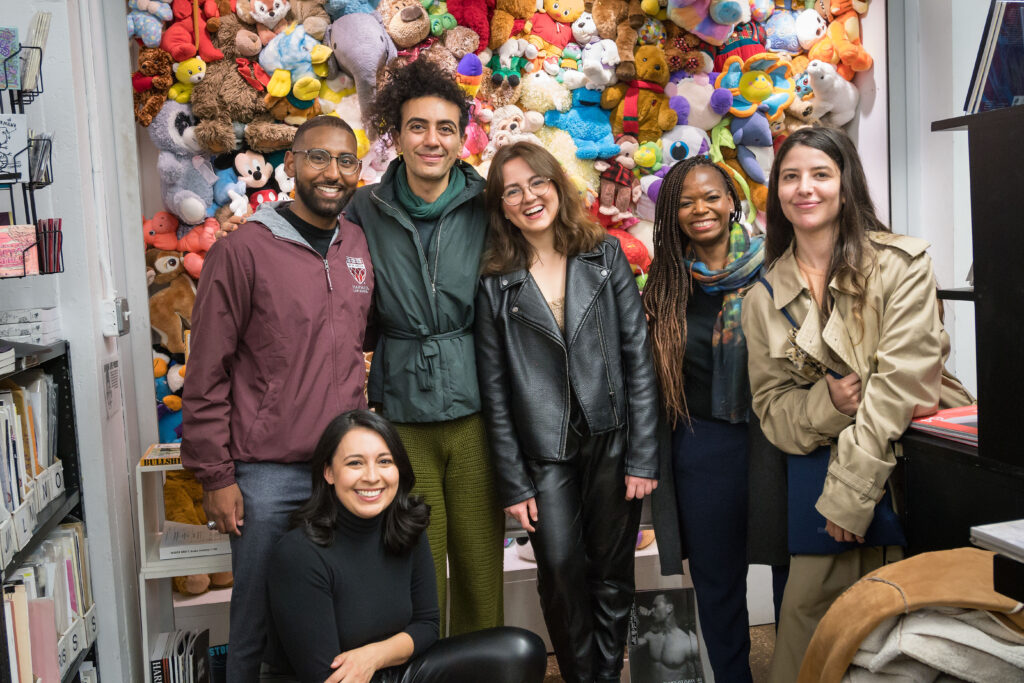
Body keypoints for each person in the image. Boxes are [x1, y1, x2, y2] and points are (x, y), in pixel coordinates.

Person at [741, 126, 974, 682]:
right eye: (791, 177)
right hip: (820, 486)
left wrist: (851, 495)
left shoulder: (902, 264)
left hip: (916, 475)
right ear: (776, 193)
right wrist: (826, 404)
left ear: (845, 186)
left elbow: (902, 385)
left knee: (926, 637)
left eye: (821, 174)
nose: (805, 188)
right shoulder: (762, 297)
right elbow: (773, 411)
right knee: (809, 640)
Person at [181, 116, 374, 683]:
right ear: (289, 164)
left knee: (335, 621)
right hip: (268, 477)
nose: (332, 172)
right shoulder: (242, 251)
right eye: (318, 157)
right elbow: (206, 370)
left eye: (345, 161)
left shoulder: (356, 245)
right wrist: (216, 477)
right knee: (257, 622)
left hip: (342, 471)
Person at [475, 141, 660, 683]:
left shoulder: (603, 256)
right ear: (501, 206)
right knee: (558, 568)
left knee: (611, 570)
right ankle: (585, 674)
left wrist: (643, 455)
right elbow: (495, 390)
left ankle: (602, 675)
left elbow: (638, 360)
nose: (529, 197)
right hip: (543, 450)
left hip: (612, 438)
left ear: (556, 185)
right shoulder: (495, 282)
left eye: (537, 182)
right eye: (512, 190)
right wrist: (513, 481)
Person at [344, 60, 503, 636]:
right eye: (417, 126)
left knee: (481, 568)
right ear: (395, 134)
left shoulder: (490, 203)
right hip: (402, 412)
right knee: (416, 571)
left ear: (463, 137)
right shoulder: (364, 209)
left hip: (478, 409)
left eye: (445, 127)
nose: (431, 140)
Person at [265, 410, 547, 683]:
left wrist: (373, 656)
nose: (372, 476)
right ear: (328, 472)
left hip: (395, 671)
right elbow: (325, 677)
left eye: (385, 461)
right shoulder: (298, 554)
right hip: (335, 681)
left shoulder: (406, 527)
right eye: (355, 463)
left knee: (521, 649)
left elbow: (426, 626)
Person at [641, 156, 765, 683]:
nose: (700, 209)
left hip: (773, 439)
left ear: (732, 201)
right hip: (702, 450)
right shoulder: (665, 286)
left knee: (792, 572)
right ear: (672, 214)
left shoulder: (775, 268)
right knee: (717, 586)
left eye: (711, 196)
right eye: (686, 201)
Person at [633, 594, 701, 683]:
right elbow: (630, 648)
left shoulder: (688, 641)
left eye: (655, 606)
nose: (652, 610)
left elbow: (699, 676)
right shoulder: (651, 635)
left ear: (669, 608)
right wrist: (636, 617)